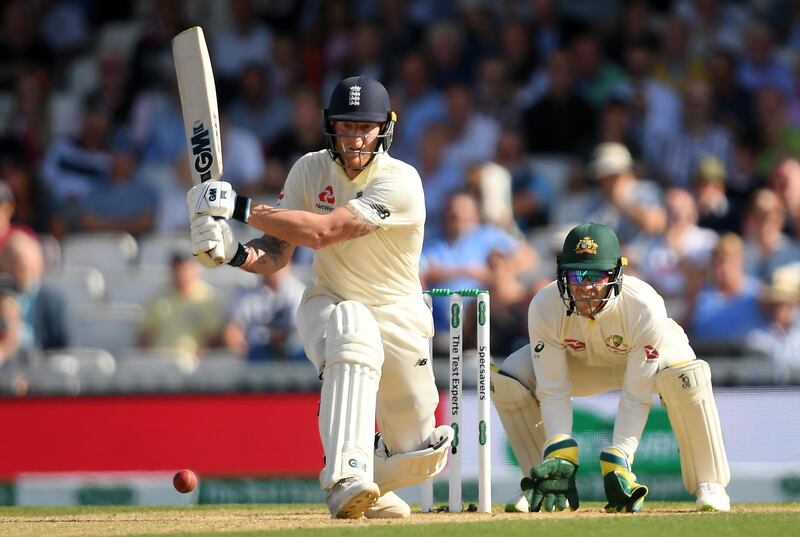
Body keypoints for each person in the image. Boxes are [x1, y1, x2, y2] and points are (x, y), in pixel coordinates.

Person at [186, 75, 453, 519]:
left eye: (364, 127)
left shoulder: (401, 181)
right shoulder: (309, 170)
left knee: (423, 453)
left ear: (385, 128)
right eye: (346, 126)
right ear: (331, 126)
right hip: (329, 303)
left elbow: (324, 233)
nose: (354, 137)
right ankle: (347, 476)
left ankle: (368, 472)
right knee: (354, 325)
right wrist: (231, 254)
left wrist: (236, 207)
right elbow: (275, 256)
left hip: (401, 312)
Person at [491, 222, 731, 514]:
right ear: (561, 273)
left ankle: (710, 484)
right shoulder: (545, 305)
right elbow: (553, 389)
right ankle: (541, 480)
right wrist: (559, 449)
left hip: (649, 367)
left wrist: (620, 455)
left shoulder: (643, 306)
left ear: (617, 274)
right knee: (511, 375)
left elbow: (637, 394)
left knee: (686, 375)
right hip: (584, 367)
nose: (585, 286)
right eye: (575, 274)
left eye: (596, 275)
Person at [138, 251, 221, 360]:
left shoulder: (207, 299)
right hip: (161, 361)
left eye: (184, 268)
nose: (180, 273)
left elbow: (214, 337)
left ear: (195, 269)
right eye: (176, 269)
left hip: (194, 364)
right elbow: (145, 333)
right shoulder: (159, 297)